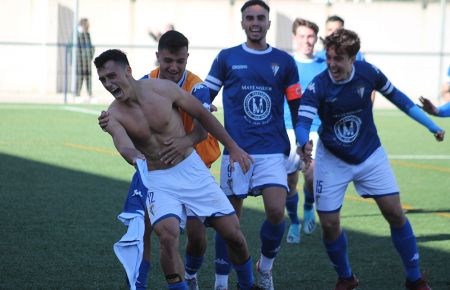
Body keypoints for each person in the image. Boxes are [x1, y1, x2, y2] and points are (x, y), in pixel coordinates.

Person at [94, 49, 262, 290]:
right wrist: (136, 157)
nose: (109, 84)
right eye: (103, 80)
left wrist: (233, 147)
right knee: (167, 235)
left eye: (112, 76)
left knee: (232, 233)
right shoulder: (113, 115)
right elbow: (124, 146)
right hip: (157, 179)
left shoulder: (164, 89)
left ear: (128, 71)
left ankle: (247, 285)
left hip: (191, 169)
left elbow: (203, 116)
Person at [295, 28, 444, 290]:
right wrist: (302, 140)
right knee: (329, 225)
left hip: (369, 155)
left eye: (338, 58)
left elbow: (399, 99)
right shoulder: (319, 84)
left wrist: (431, 126)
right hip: (332, 158)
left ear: (353, 59)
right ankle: (346, 277)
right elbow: (304, 119)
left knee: (395, 213)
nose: (332, 64)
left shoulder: (368, 73)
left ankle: (414, 277)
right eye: (329, 57)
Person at [98, 30, 220, 290]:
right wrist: (112, 122)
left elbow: (203, 118)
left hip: (193, 163)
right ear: (158, 58)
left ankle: (191, 273)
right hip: (155, 166)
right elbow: (126, 104)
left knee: (197, 237)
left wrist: (185, 141)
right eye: (168, 61)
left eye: (180, 61)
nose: (173, 67)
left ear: (187, 59)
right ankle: (138, 284)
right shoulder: (144, 81)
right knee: (144, 229)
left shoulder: (197, 86)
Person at [204, 1, 301, 289]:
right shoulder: (227, 57)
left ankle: (265, 268)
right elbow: (205, 94)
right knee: (228, 221)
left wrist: (302, 138)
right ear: (243, 23)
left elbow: (296, 106)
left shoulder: (284, 61)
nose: (255, 22)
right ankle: (221, 281)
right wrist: (200, 103)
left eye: (261, 18)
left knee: (275, 212)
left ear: (269, 23)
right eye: (250, 18)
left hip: (272, 149)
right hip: (236, 150)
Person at [284, 18, 327, 244]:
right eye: (301, 36)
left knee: (311, 174)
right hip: (289, 129)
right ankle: (293, 222)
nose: (306, 41)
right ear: (294, 38)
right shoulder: (286, 64)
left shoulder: (324, 64)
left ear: (316, 38)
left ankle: (309, 206)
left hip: (316, 129)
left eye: (310, 36)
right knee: (290, 183)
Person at [76, 18, 95, 101]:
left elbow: (90, 47)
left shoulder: (87, 35)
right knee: (80, 77)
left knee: (88, 77)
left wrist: (91, 54)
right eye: (86, 24)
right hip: (80, 61)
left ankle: (90, 94)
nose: (88, 26)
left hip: (87, 60)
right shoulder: (77, 35)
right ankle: (77, 94)